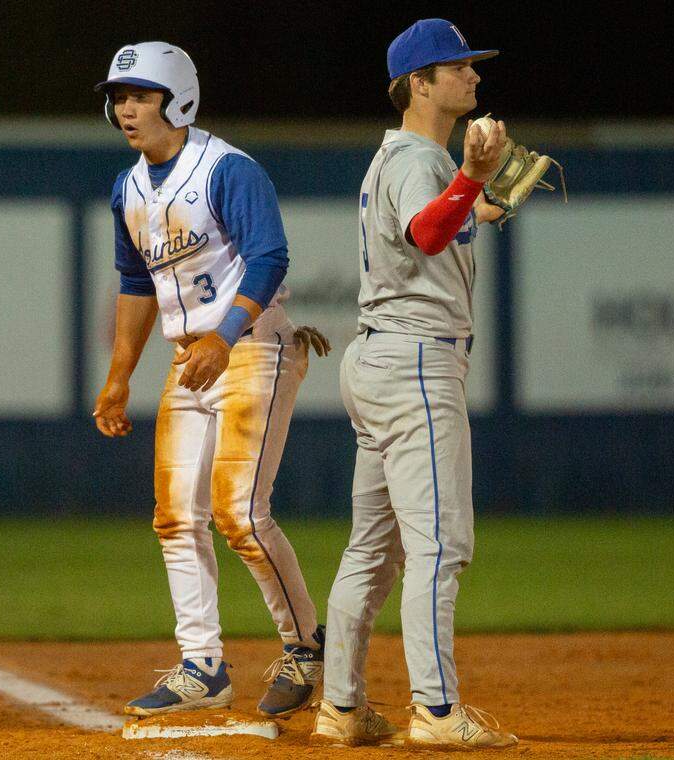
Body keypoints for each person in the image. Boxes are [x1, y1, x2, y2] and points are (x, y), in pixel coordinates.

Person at [91, 41, 331, 720]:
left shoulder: (226, 168)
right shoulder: (129, 188)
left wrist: (223, 338)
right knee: (175, 518)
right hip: (190, 358)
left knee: (242, 515)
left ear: (179, 100)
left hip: (252, 348)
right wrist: (118, 377)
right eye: (119, 97)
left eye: (141, 96)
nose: (127, 108)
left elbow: (270, 258)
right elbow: (135, 282)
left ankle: (304, 648)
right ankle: (202, 666)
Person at [310, 19, 517, 749]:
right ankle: (434, 709)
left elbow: (435, 227)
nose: (473, 75)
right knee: (440, 543)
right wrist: (473, 179)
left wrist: (480, 202)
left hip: (381, 363)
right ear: (418, 84)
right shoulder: (421, 161)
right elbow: (427, 233)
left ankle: (340, 707)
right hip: (415, 367)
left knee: (373, 549)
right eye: (457, 67)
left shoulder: (404, 159)